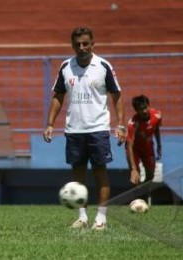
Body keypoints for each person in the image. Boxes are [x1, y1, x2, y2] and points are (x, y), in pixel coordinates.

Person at [43, 27, 125, 230]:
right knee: (77, 177)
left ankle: (101, 218)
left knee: (100, 174)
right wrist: (50, 124)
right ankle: (82, 217)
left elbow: (117, 96)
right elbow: (58, 97)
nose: (82, 48)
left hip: (98, 129)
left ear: (92, 44)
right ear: (72, 46)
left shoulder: (103, 66)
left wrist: (121, 124)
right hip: (74, 130)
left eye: (85, 43)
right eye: (78, 44)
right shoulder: (65, 67)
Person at [125, 95, 162, 185]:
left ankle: (144, 196)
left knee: (150, 175)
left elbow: (156, 129)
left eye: (145, 107)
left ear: (148, 105)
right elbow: (129, 145)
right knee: (135, 178)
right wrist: (133, 169)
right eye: (140, 109)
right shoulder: (133, 123)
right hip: (134, 150)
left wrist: (159, 146)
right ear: (136, 111)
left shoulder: (157, 115)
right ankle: (137, 197)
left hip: (148, 147)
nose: (144, 111)